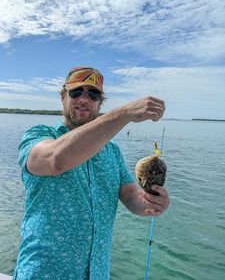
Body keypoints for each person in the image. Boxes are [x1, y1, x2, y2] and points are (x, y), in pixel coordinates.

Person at [13, 66, 169, 280]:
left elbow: (132, 196)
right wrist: (124, 114)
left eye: (93, 94)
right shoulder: (38, 135)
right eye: (76, 92)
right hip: (44, 272)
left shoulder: (111, 151)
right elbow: (55, 159)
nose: (84, 100)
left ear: (100, 103)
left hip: (96, 273)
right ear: (62, 97)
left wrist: (152, 204)